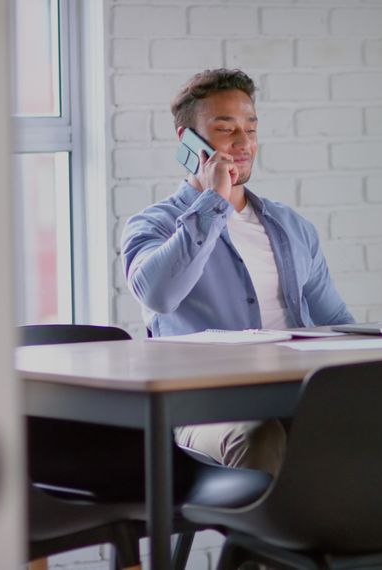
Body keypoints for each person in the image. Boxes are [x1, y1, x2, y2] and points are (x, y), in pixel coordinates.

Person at [121, 69, 354, 475]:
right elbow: (158, 295)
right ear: (187, 142)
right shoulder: (153, 225)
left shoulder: (291, 226)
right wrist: (214, 201)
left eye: (250, 128)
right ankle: (269, 539)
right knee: (259, 436)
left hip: (293, 393)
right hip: (204, 407)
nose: (243, 143)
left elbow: (336, 323)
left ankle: (378, 539)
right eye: (226, 129)